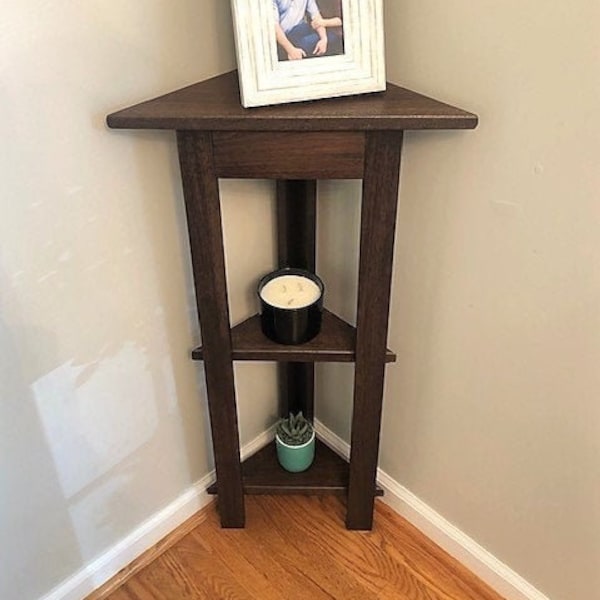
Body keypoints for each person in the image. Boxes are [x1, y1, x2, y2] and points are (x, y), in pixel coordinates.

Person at [273, 0, 343, 61]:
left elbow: (316, 18)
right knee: (306, 44)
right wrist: (291, 50)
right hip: (282, 38)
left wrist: (323, 39)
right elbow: (274, 27)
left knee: (330, 38)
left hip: (300, 29)